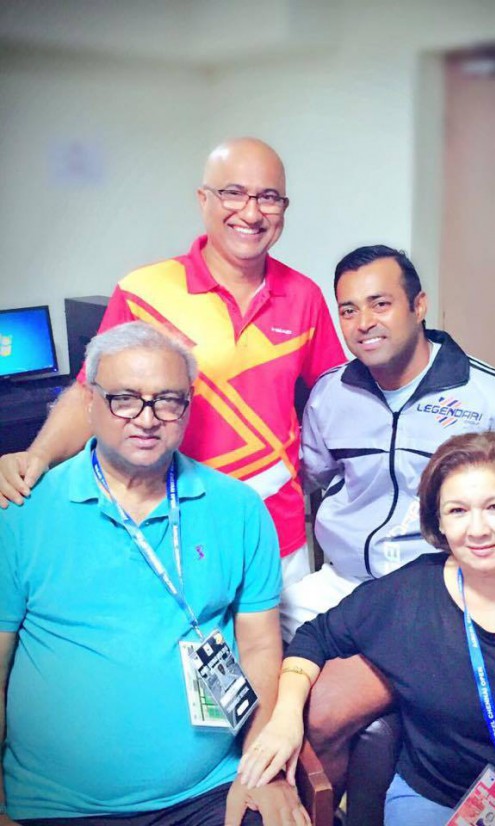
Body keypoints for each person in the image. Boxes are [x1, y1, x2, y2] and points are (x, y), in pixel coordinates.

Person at [279, 244, 495, 796]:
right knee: (253, 671)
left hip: (430, 592)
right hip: (340, 581)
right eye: (348, 309)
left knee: (324, 711)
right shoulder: (331, 394)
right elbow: (308, 480)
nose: (363, 323)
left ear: (419, 305)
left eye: (380, 303)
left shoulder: (491, 395)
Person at [0, 322, 310, 826]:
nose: (146, 419)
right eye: (124, 399)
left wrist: (259, 772)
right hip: (54, 807)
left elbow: (258, 648)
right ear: (90, 403)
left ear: (187, 407)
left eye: (167, 400)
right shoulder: (20, 512)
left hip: (211, 793)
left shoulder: (239, 509)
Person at [0, 137, 345, 589]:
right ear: (204, 200)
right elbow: (90, 393)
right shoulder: (145, 291)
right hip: (173, 526)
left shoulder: (305, 296)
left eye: (268, 197)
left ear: (284, 207)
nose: (251, 212)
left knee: (280, 659)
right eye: (233, 193)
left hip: (278, 532)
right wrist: (37, 455)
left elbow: (337, 399)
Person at [237, 431, 495, 826]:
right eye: (457, 511)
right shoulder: (411, 592)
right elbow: (315, 636)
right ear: (438, 521)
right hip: (433, 797)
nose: (477, 530)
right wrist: (284, 719)